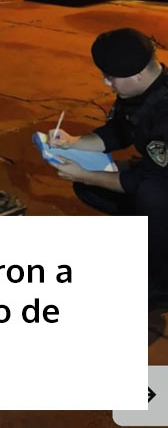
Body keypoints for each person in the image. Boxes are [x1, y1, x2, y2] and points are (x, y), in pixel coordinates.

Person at [47, 28, 168, 306]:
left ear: (138, 73)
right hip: (156, 174)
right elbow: (118, 133)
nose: (105, 82)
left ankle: (161, 283)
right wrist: (73, 142)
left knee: (151, 194)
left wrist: (87, 174)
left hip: (158, 181)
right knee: (91, 187)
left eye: (111, 77)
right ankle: (149, 242)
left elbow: (143, 180)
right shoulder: (139, 91)